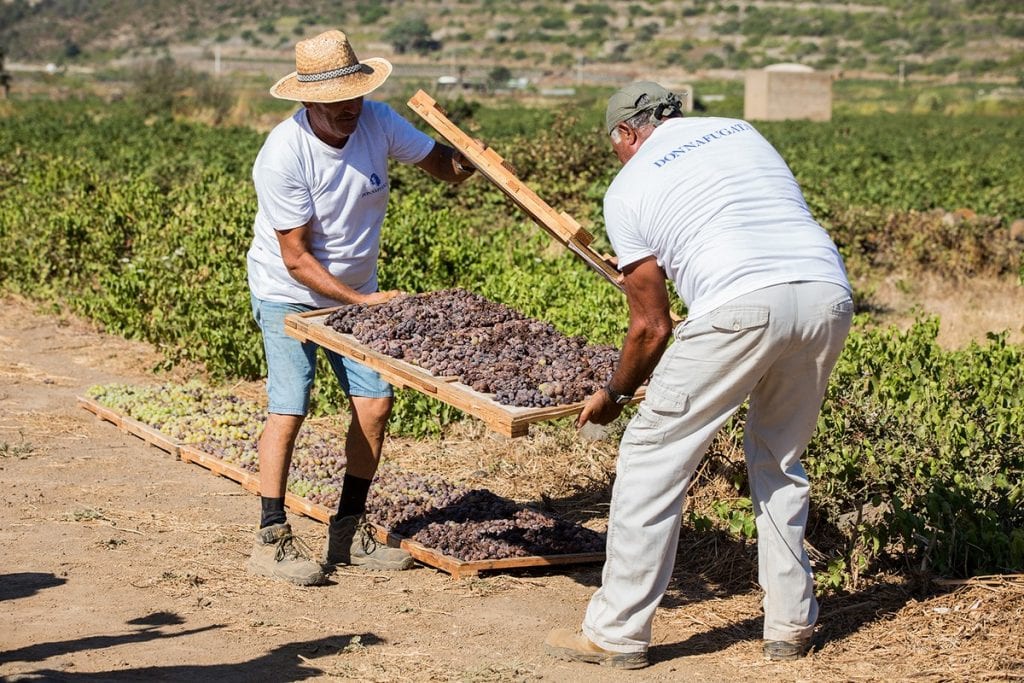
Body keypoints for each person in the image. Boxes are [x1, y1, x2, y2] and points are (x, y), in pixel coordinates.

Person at [544, 82, 853, 668]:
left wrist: (615, 394)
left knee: (651, 459)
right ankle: (790, 624)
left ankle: (615, 634)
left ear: (626, 134)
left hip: (739, 307)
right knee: (779, 459)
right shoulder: (743, 131)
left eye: (616, 146)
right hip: (825, 296)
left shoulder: (628, 185)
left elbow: (651, 327)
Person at [246, 30, 477, 585]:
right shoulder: (284, 154)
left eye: (353, 94)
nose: (348, 108)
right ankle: (270, 534)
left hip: (356, 291)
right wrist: (365, 303)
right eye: (334, 102)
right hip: (291, 291)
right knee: (290, 403)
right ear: (307, 101)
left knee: (374, 406)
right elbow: (297, 259)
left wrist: (472, 162)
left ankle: (348, 533)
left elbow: (439, 164)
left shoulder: (376, 119)